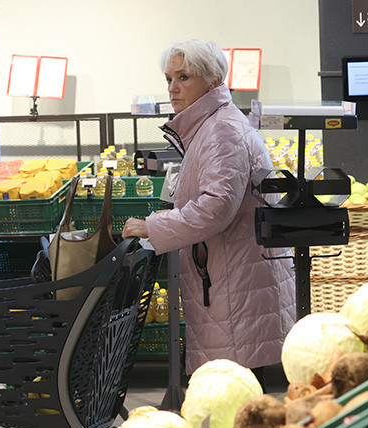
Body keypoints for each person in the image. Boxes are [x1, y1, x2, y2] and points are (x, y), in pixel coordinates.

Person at [122, 39, 296, 379]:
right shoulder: (212, 125)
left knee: (234, 401)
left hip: (234, 292)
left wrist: (153, 226)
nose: (173, 88)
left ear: (213, 79)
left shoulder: (221, 130)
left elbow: (216, 208)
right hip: (230, 285)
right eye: (169, 79)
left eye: (184, 77)